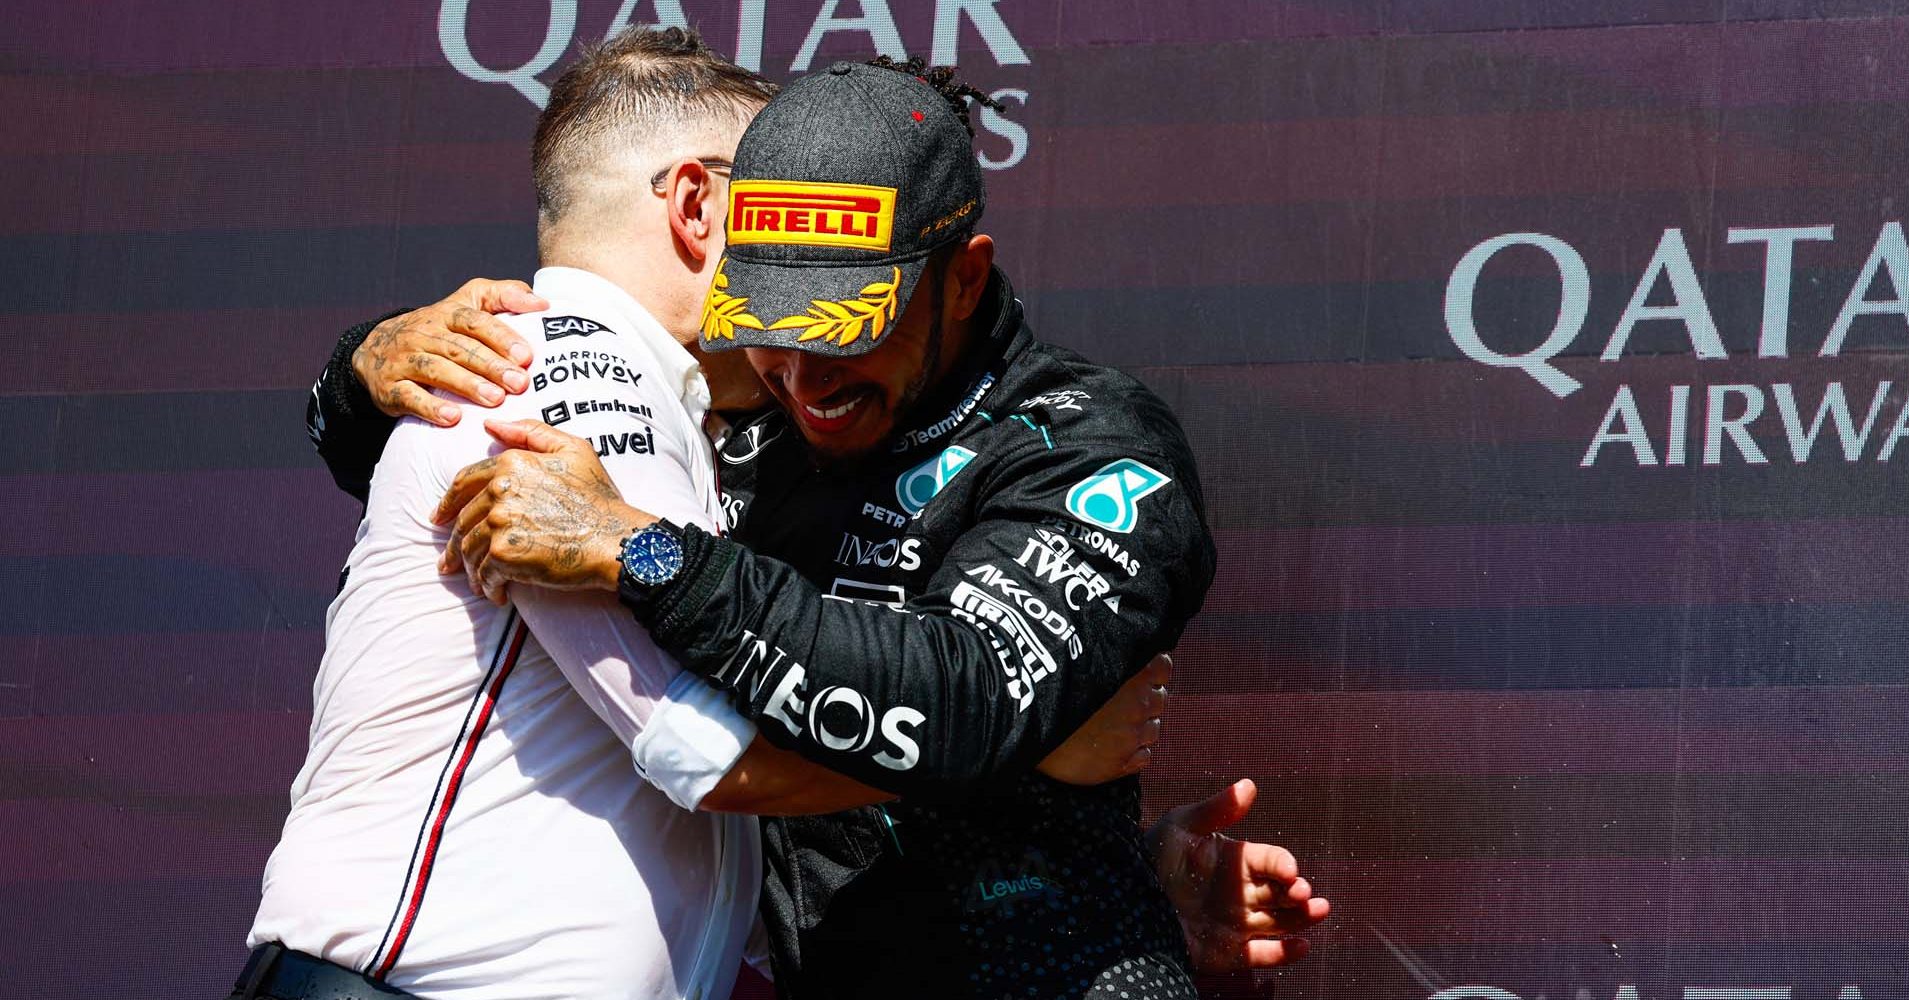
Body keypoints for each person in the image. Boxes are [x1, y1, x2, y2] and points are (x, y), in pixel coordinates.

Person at [307, 48, 1329, 1000]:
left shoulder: (1089, 446)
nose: (803, 374)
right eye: (770, 324)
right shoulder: (739, 413)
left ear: (963, 277)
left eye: (846, 326)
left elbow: (954, 699)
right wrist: (367, 371)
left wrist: (642, 549)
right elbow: (464, 471)